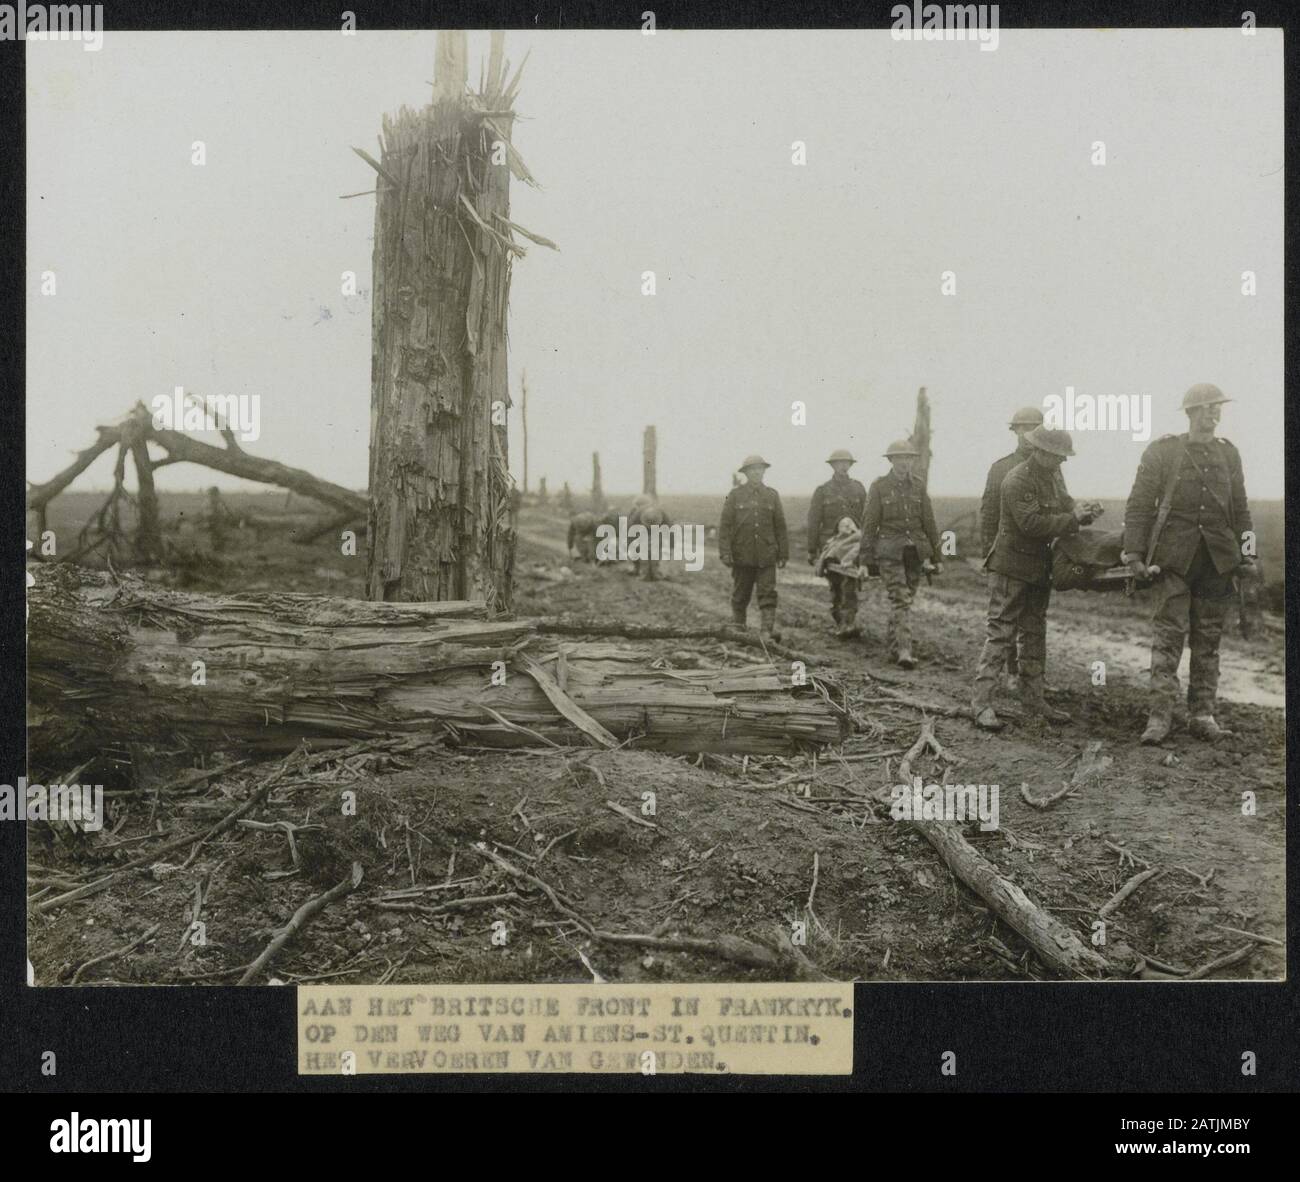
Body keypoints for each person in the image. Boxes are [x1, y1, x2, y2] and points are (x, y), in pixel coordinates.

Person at [1120, 383, 1254, 744]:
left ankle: (1202, 714)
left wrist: (1248, 551)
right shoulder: (1163, 452)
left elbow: (1241, 509)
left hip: (1217, 562)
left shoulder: (1229, 454)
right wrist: (1133, 555)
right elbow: (1139, 505)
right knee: (1167, 640)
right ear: (1191, 412)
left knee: (1208, 641)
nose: (1214, 413)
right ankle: (1159, 717)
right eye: (1208, 407)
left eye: (1217, 407)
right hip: (1172, 561)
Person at [970, 427, 1098, 730]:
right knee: (1001, 633)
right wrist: (1073, 520)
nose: (1062, 463)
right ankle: (981, 703)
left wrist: (1083, 511)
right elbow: (1031, 523)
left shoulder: (1051, 475)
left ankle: (1034, 699)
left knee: (1034, 633)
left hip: (1038, 568)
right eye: (1058, 457)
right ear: (1040, 452)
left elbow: (1065, 504)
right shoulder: (1017, 479)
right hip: (1011, 566)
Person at [856, 440, 942, 669]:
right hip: (889, 552)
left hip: (915, 551)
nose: (904, 463)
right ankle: (904, 650)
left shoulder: (918, 485)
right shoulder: (879, 486)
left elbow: (929, 521)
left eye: (908, 458)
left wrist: (937, 557)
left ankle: (894, 645)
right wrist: (864, 560)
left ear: (912, 461)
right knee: (900, 599)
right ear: (891, 461)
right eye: (899, 458)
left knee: (906, 600)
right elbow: (869, 524)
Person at [980, 406, 1045, 691]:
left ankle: (1030, 682)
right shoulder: (1002, 468)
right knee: (1004, 624)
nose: (1030, 434)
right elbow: (989, 514)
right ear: (1016, 431)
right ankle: (1003, 677)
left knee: (1033, 626)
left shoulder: (1051, 468)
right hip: (1008, 557)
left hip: (1039, 560)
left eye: (1035, 427)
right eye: (1024, 428)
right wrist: (989, 556)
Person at [719, 455, 788, 639]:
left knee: (768, 594)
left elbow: (780, 525)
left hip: (767, 555)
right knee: (740, 595)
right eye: (752, 470)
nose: (757, 472)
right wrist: (725, 552)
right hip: (742, 555)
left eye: (760, 469)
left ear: (764, 471)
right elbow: (725, 525)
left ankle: (766, 632)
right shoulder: (735, 495)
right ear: (746, 473)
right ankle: (739, 631)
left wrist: (783, 553)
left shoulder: (772, 495)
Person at [807, 449, 868, 637]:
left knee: (849, 579)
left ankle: (848, 621)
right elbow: (814, 521)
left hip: (854, 541)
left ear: (850, 465)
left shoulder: (858, 488)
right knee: (836, 585)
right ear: (832, 466)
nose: (842, 466)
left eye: (846, 463)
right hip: (832, 544)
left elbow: (867, 517)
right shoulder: (823, 490)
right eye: (838, 463)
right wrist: (812, 550)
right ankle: (840, 620)